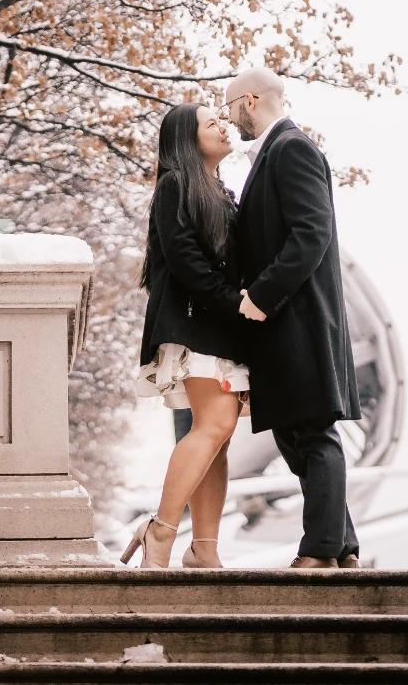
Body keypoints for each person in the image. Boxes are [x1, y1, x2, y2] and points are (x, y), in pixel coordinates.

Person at [222, 66, 364, 569]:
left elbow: (312, 232)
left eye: (229, 105)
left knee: (311, 432)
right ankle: (341, 545)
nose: (228, 118)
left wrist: (259, 296)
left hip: (295, 320)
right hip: (289, 323)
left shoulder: (291, 148)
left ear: (250, 99)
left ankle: (320, 552)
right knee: (296, 434)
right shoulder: (280, 151)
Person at [122, 102, 264, 568]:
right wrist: (235, 303)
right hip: (195, 323)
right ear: (187, 139)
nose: (224, 127)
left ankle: (204, 548)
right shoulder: (175, 184)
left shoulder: (220, 191)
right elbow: (185, 261)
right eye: (212, 123)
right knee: (215, 425)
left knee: (217, 436)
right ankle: (161, 531)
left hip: (219, 326)